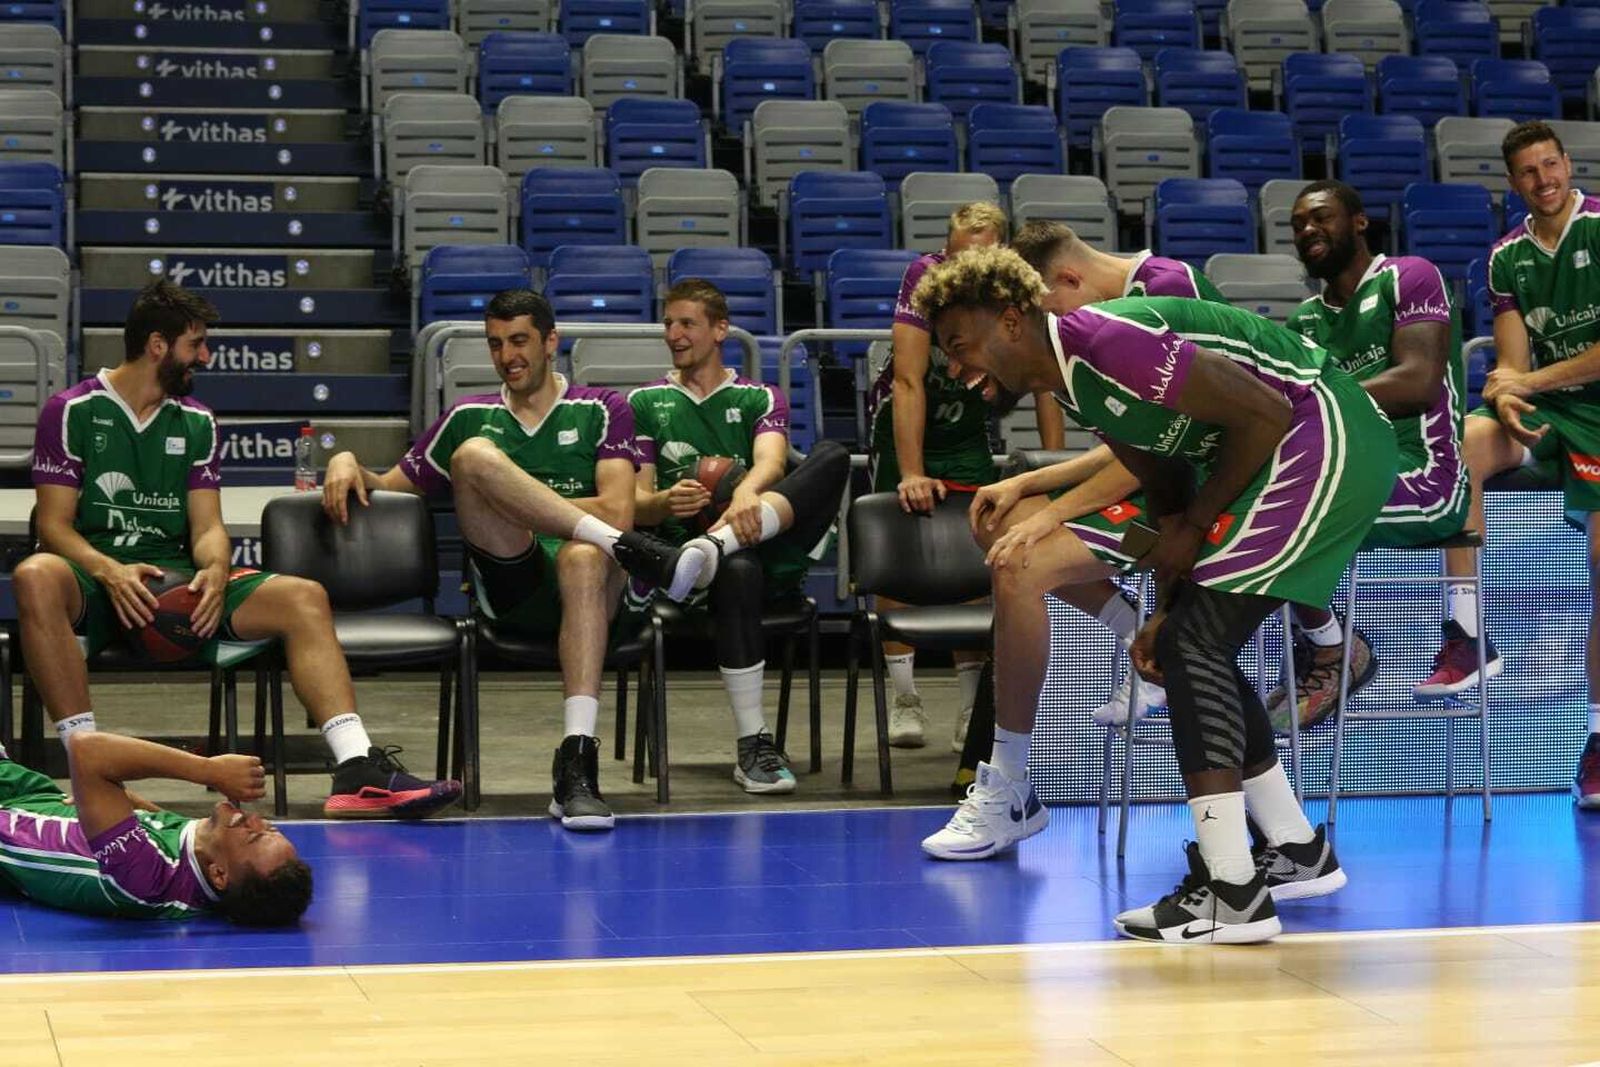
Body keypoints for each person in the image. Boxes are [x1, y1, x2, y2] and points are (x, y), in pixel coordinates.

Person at [913, 247, 1396, 944]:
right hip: (1288, 445)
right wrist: (1166, 604)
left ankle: (1231, 888)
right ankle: (1292, 846)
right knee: (1188, 642)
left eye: (960, 344)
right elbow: (1169, 489)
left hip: (1324, 435)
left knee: (1195, 642)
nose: (956, 368)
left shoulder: (1107, 340)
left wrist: (1195, 533)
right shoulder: (1078, 383)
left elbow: (1261, 412)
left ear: (1013, 321)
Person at [18, 280, 461, 820]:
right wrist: (108, 570)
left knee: (304, 596)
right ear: (157, 345)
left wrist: (215, 567)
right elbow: (55, 527)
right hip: (98, 577)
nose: (204, 355)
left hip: (175, 580)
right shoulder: (71, 411)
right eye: (195, 344)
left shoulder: (198, 421)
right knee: (37, 572)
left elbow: (207, 526)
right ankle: (87, 762)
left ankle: (356, 766)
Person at [322, 289, 706, 832]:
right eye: (496, 344)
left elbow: (620, 510)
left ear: (551, 342)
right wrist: (344, 458)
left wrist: (514, 498)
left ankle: (576, 765)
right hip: (514, 583)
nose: (508, 355)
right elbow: (388, 486)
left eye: (520, 340)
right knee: (475, 457)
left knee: (583, 555)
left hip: (597, 588)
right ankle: (643, 555)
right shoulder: (468, 416)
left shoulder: (603, 409)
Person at [967, 221, 1237, 728]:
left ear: (1068, 279)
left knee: (1024, 557)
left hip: (1209, 499)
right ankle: (1130, 624)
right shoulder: (1104, 321)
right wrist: (1025, 484)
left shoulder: (1166, 291)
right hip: (1159, 486)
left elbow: (1166, 451)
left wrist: (1051, 516)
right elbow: (1133, 451)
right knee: (994, 520)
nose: (1056, 328)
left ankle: (1167, 634)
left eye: (1051, 311)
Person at [630, 279, 851, 795]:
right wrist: (664, 502)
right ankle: (754, 744)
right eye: (668, 324)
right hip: (687, 558)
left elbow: (772, 461)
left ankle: (718, 544)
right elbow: (634, 503)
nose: (674, 334)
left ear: (720, 329)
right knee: (738, 567)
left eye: (687, 323)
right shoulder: (644, 403)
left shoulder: (759, 396)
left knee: (833, 457)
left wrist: (746, 493)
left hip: (763, 529)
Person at [1272, 179, 1469, 729]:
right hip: (1349, 477)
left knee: (1277, 517)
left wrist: (1309, 399)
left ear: (1359, 221)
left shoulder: (1409, 276)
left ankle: (1332, 652)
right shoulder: (1304, 322)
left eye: (1322, 217)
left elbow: (1418, 382)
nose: (1308, 230)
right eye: (1297, 224)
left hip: (1425, 479)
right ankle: (1327, 641)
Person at [871, 203, 1065, 752]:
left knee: (976, 559)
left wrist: (1051, 466)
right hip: (910, 426)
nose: (967, 265)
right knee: (902, 558)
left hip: (967, 435)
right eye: (960, 254)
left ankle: (970, 711)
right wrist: (910, 471)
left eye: (980, 254)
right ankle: (905, 699)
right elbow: (909, 382)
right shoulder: (923, 277)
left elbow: (1044, 381)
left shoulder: (1012, 288)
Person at [1451, 120, 1600, 808]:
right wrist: (1505, 395)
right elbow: (1511, 363)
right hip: (1552, 412)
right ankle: (1467, 631)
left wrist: (1526, 384)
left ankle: (1596, 739)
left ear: (1569, 164)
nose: (1545, 180)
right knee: (1469, 441)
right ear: (1513, 184)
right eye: (1529, 173)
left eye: (1552, 165)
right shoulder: (1505, 256)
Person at [0, 731, 311, 924]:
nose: (256, 819)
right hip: (26, 793)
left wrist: (208, 770)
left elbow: (87, 750)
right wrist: (129, 804)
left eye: (254, 835)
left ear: (219, 874)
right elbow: (162, 836)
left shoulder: (148, 880)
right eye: (271, 828)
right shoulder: (200, 853)